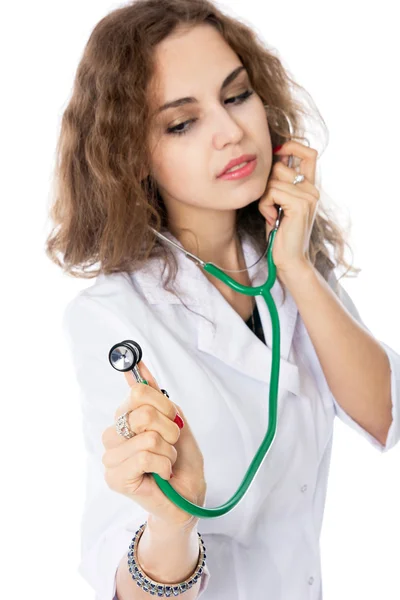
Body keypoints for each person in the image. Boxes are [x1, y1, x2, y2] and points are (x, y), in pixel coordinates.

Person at [45, 1, 400, 598]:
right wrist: (171, 521)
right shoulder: (112, 317)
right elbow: (123, 571)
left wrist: (298, 266)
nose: (232, 131)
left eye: (236, 96)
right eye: (181, 123)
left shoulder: (286, 257)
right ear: (132, 157)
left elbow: (383, 413)